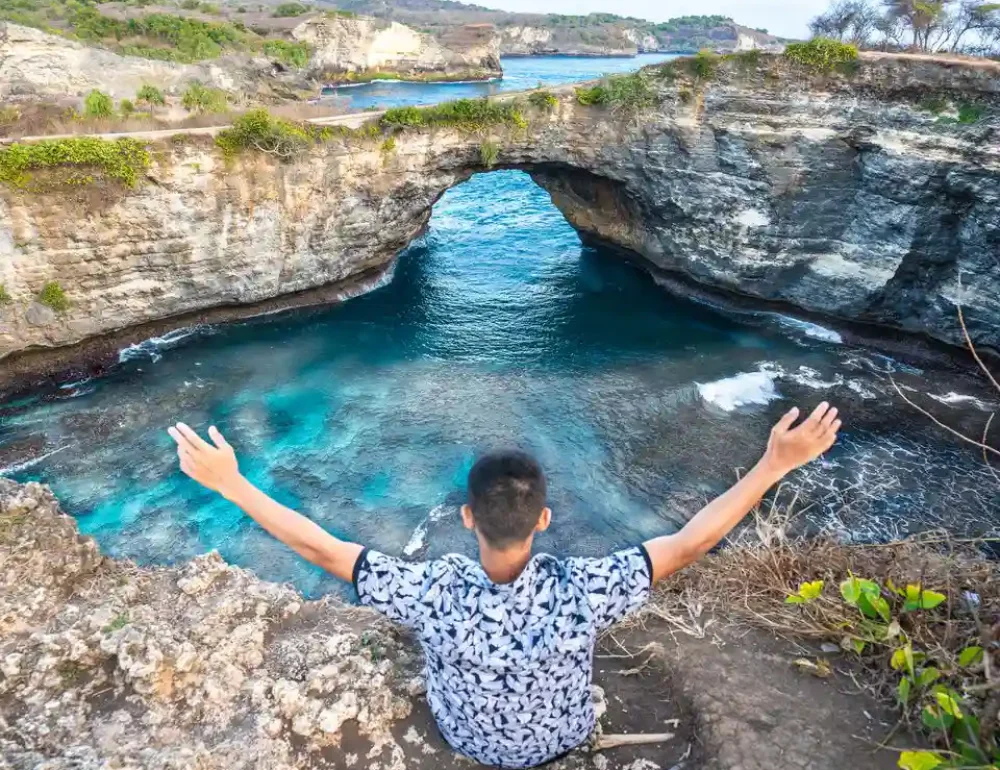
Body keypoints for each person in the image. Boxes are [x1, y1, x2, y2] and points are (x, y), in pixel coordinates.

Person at [168, 401, 841, 769]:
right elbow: (691, 541)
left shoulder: (432, 590)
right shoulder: (587, 586)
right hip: (564, 738)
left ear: (466, 517)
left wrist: (230, 483)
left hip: (467, 740)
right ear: (545, 520)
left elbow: (322, 547)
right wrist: (771, 465)